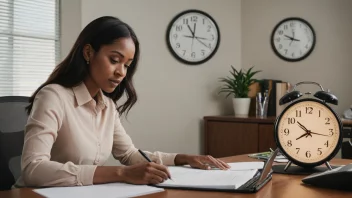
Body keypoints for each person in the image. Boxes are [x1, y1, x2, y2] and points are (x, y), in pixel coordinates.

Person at [15, 16, 229, 188]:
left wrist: (184, 158)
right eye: (114, 60)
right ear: (89, 52)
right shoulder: (53, 96)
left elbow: (129, 155)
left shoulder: (106, 105)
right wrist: (121, 173)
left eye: (127, 65)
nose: (121, 73)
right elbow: (33, 169)